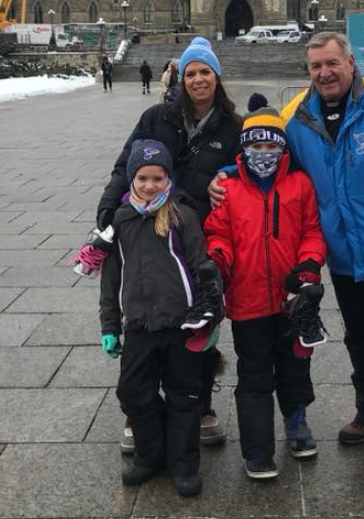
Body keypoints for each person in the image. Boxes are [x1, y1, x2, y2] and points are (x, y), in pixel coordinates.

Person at [209, 32, 364, 487]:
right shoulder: (297, 113)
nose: (324, 73)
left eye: (332, 63)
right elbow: (261, 153)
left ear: (350, 62)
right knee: (361, 341)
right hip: (342, 259)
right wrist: (223, 177)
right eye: (316, 66)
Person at [96, 36, 242, 454]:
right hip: (149, 235)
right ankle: (140, 413)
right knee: (147, 323)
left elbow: (248, 165)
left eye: (205, 72)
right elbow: (126, 165)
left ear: (217, 77)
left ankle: (200, 405)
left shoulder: (232, 126)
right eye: (191, 72)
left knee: (200, 325)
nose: (198, 80)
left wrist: (228, 172)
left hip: (201, 237)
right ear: (180, 77)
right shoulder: (157, 116)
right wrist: (109, 209)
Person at [204, 96, 327, 480]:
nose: (264, 152)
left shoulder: (300, 184)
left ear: (283, 147)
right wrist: (219, 261)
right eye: (256, 146)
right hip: (247, 299)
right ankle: (257, 448)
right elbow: (218, 233)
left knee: (295, 364)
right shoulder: (229, 189)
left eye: (271, 145)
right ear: (244, 149)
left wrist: (309, 264)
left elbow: (312, 231)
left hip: (293, 298)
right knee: (254, 373)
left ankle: (296, 421)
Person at [100, 138, 219, 496]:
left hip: (182, 323)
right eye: (143, 178)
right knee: (134, 392)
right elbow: (111, 278)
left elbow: (203, 268)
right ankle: (151, 456)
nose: (150, 185)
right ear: (132, 180)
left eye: (158, 178)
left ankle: (183, 462)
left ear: (168, 179)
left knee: (185, 395)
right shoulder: (120, 220)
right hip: (139, 324)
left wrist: (211, 318)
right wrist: (109, 326)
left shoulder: (183, 214)